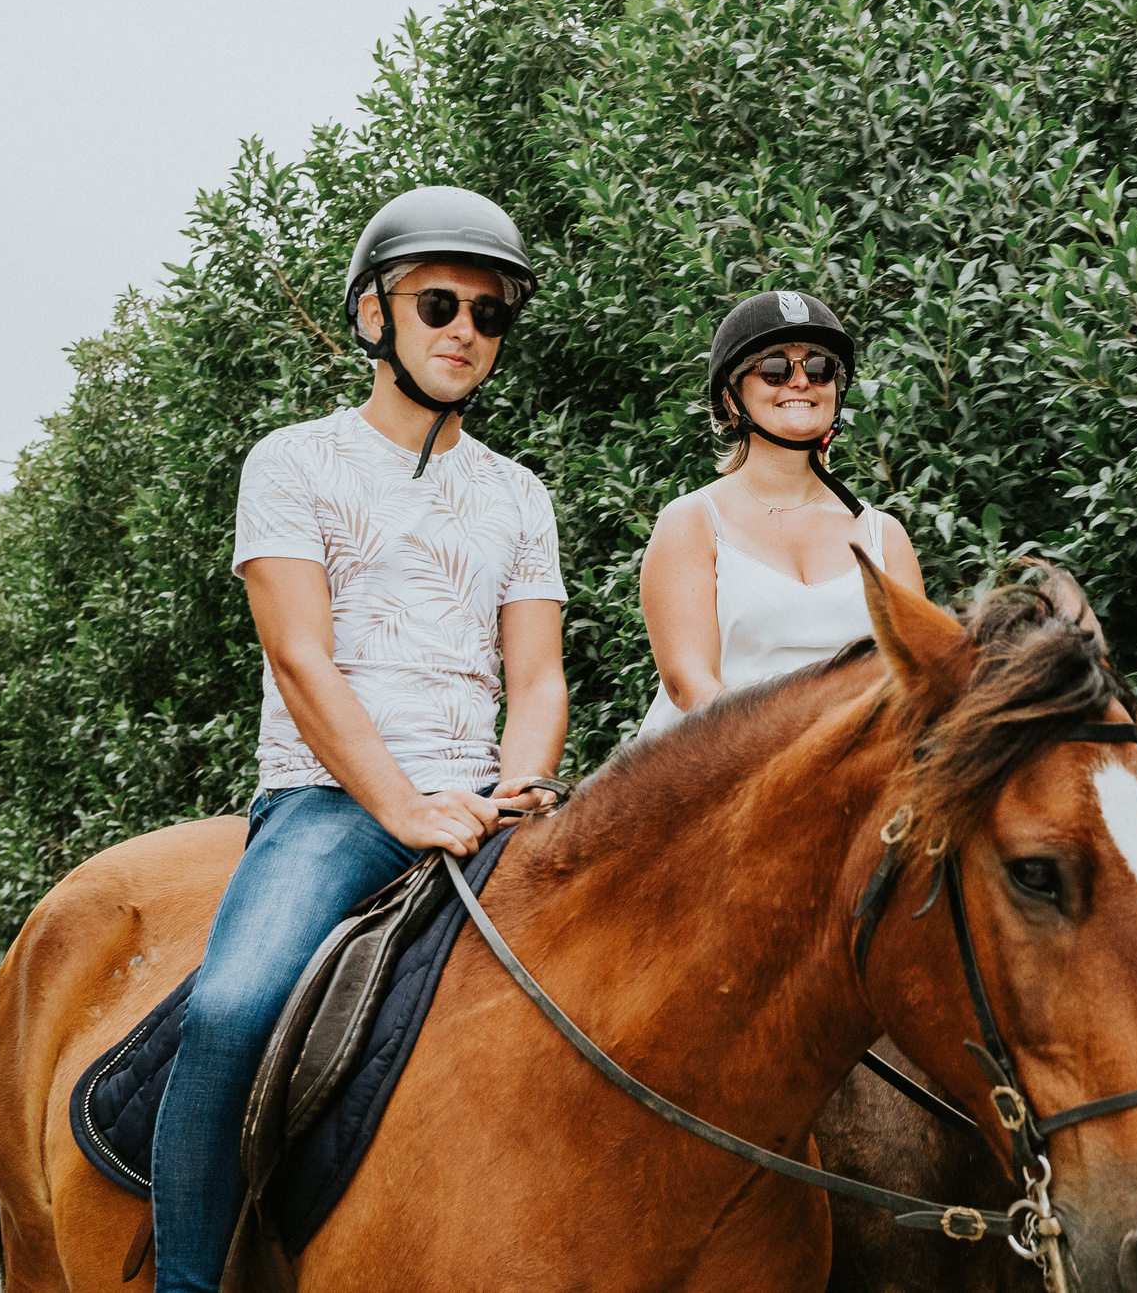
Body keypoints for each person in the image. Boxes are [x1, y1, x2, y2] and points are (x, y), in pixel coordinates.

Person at [149, 186, 570, 1293]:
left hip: (483, 802)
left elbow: (537, 674)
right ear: (374, 316)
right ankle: (188, 1281)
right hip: (334, 801)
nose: (466, 332)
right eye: (439, 305)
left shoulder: (519, 494)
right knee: (234, 1006)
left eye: (489, 314)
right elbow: (301, 660)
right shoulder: (292, 463)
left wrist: (520, 784)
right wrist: (399, 806)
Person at [639, 290, 921, 735]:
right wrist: (801, 751)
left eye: (818, 367)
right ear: (733, 399)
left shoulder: (884, 536)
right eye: (774, 368)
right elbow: (689, 685)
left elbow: (917, 680)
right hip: (716, 771)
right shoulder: (692, 522)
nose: (800, 381)